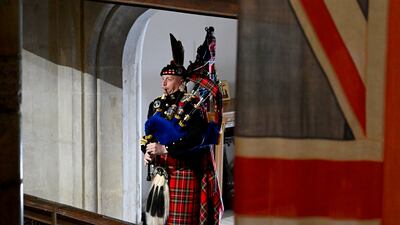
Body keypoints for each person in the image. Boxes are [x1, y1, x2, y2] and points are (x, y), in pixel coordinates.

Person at [141, 33, 223, 225]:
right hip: (161, 173)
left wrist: (165, 148)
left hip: (184, 172)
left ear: (180, 81)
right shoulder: (155, 105)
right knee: (158, 221)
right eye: (162, 79)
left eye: (168, 80)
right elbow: (148, 136)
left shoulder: (193, 105)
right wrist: (146, 151)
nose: (163, 83)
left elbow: (197, 138)